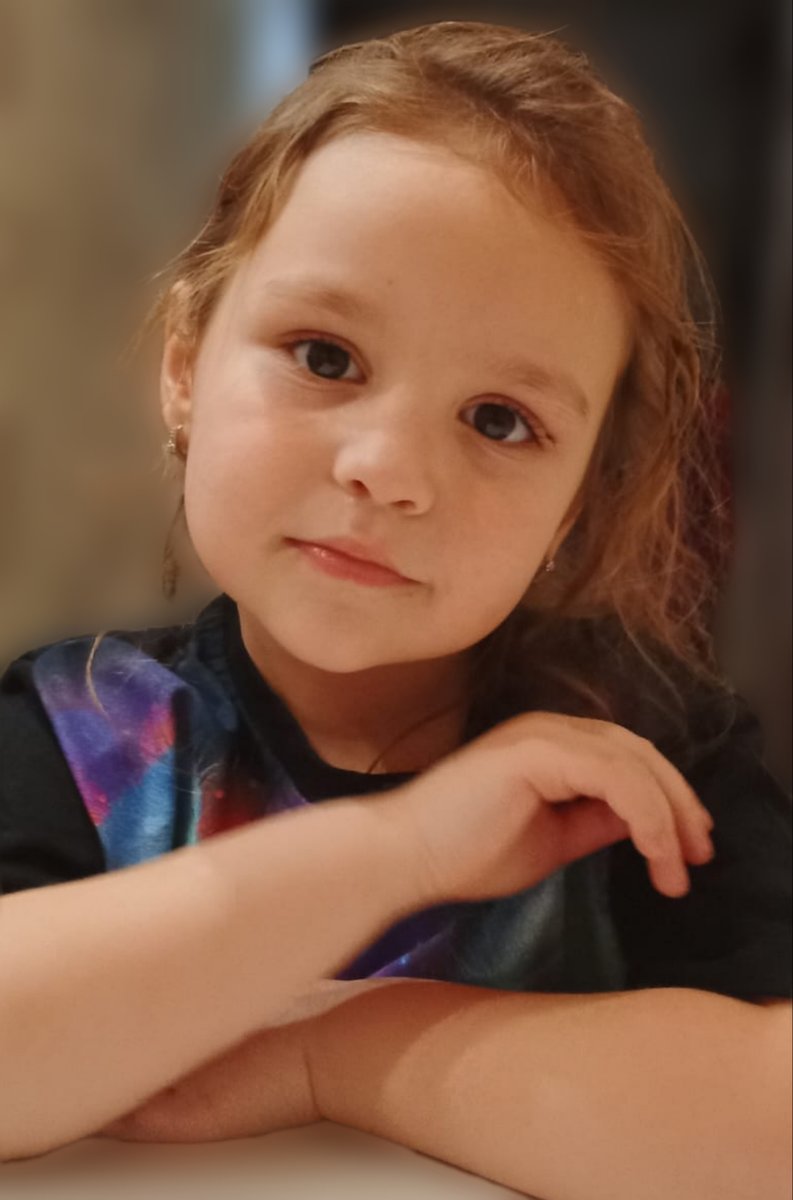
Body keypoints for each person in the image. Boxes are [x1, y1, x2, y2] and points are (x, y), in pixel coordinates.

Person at [0, 19, 790, 1197]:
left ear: (579, 501)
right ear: (186, 366)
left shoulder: (639, 761)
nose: (388, 470)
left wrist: (332, 1055)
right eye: (324, 357)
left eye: (499, 421)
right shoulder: (87, 729)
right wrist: (397, 851)